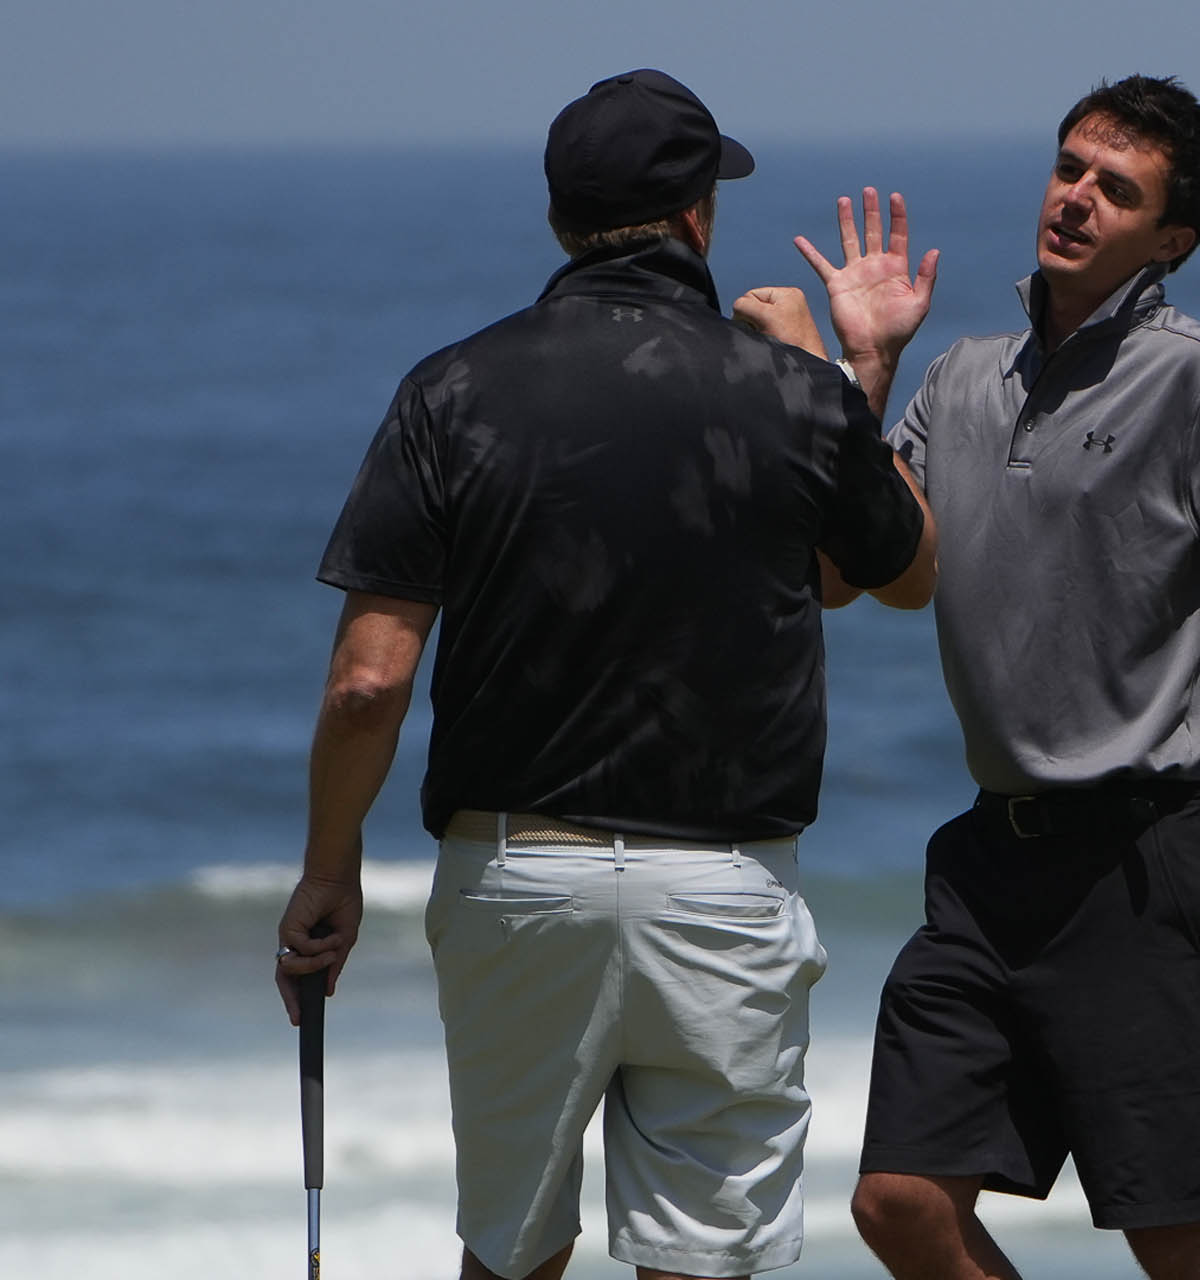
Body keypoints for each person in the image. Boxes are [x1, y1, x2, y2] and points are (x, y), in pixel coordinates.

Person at [272, 69, 938, 1280]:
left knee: (511, 1249)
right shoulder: (792, 392)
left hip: (519, 873)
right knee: (700, 1262)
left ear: (558, 216)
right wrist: (847, 369)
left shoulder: (451, 389)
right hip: (722, 884)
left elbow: (368, 684)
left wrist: (330, 868)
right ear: (696, 216)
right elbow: (902, 570)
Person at [749, 74, 1200, 1279]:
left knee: (1179, 1240)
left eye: (1116, 190)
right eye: (1070, 169)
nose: (1075, 198)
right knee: (900, 1200)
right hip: (989, 863)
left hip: (1150, 861)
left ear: (1171, 239)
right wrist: (865, 369)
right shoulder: (962, 376)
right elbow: (844, 573)